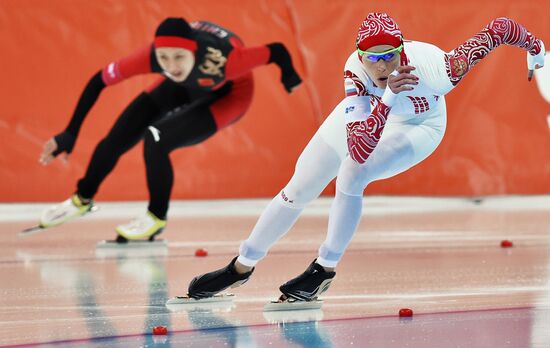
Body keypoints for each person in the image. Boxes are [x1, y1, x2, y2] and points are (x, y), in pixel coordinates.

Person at [186, 13, 545, 302]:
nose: (383, 65)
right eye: (373, 58)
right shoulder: (355, 73)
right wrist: (387, 97)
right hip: (376, 115)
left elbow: (500, 29)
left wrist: (537, 51)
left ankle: (324, 269)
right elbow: (360, 142)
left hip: (420, 126)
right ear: (359, 56)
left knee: (351, 175)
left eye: (390, 55)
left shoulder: (441, 68)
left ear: (402, 49)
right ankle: (241, 266)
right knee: (301, 184)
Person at [38, 17, 302, 242]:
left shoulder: (230, 60)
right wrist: (70, 132)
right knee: (119, 135)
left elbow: (277, 51)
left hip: (230, 95)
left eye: (178, 57)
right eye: (164, 58)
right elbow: (99, 81)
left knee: (156, 138)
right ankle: (82, 198)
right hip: (185, 85)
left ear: (194, 51)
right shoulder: (155, 59)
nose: (171, 65)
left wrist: (289, 76)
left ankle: (156, 217)